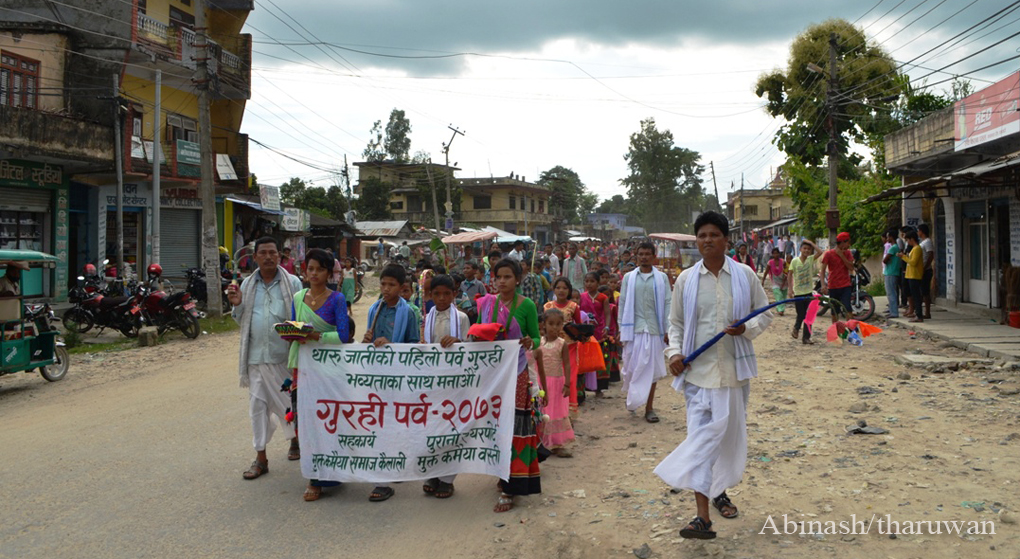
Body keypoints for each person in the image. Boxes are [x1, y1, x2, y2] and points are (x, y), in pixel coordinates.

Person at [657, 211, 773, 540]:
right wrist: (674, 353)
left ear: (725, 239)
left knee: (725, 441)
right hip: (698, 376)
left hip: (733, 374)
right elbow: (675, 324)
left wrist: (745, 328)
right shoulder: (685, 280)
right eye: (702, 235)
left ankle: (718, 490)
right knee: (701, 439)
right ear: (697, 241)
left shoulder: (745, 275)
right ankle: (702, 517)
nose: (707, 240)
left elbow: (765, 313)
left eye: (713, 234)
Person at [227, 236, 303, 481]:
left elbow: (301, 315)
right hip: (256, 359)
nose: (268, 257)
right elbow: (241, 321)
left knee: (289, 406)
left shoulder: (293, 283)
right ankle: (261, 458)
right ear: (255, 257)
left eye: (273, 252)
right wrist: (237, 305)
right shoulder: (247, 286)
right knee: (257, 409)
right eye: (263, 253)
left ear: (279, 256)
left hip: (285, 358)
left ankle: (296, 440)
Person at [474, 258, 541, 513]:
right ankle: (501, 471)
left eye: (507, 277)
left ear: (518, 279)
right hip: (492, 374)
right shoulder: (486, 304)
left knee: (514, 427)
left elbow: (536, 336)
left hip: (518, 372)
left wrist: (528, 341)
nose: (502, 281)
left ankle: (510, 485)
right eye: (498, 277)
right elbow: (480, 333)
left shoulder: (527, 307)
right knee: (495, 425)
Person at [286, 249, 350, 502]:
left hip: (329, 369)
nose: (314, 274)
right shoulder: (298, 297)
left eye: (319, 269)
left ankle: (333, 470)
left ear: (328, 273)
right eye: (310, 269)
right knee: (304, 420)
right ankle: (314, 477)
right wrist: (292, 333)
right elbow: (292, 327)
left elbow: (343, 336)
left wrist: (316, 337)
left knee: (329, 419)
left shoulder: (337, 300)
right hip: (302, 367)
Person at [359, 264, 419, 502]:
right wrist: (367, 341)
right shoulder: (375, 309)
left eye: (391, 285)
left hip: (399, 378)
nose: (385, 289)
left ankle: (396, 464)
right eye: (383, 284)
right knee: (377, 424)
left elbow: (414, 345)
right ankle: (381, 479)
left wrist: (392, 346)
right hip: (376, 378)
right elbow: (368, 341)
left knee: (397, 425)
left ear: (402, 287)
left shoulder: (409, 313)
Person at [420, 274, 472, 499]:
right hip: (432, 381)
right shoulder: (427, 317)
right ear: (430, 295)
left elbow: (470, 347)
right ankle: (433, 473)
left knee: (451, 429)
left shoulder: (461, 318)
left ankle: (448, 478)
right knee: (432, 429)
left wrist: (458, 342)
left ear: (454, 295)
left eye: (446, 294)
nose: (441, 298)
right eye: (437, 294)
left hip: (454, 382)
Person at [618, 242, 671, 423]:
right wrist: (620, 328)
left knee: (652, 371)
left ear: (654, 256)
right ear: (636, 255)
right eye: (641, 254)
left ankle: (649, 408)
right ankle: (633, 398)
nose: (644, 257)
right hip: (634, 329)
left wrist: (668, 329)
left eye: (648, 254)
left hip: (655, 330)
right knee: (633, 368)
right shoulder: (628, 278)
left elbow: (667, 303)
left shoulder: (662, 278)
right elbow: (623, 303)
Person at [536, 309, 574, 457]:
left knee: (557, 412)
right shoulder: (538, 341)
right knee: (543, 411)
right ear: (544, 324)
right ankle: (543, 443)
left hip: (558, 383)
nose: (554, 328)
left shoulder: (562, 343)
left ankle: (558, 444)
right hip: (542, 383)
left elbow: (567, 364)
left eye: (558, 324)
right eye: (551, 324)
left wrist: (568, 384)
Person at [579, 271, 611, 396]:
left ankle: (599, 387)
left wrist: (607, 327)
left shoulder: (603, 298)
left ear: (598, 283)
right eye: (587, 281)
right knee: (585, 359)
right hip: (586, 333)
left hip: (599, 332)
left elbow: (607, 313)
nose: (589, 284)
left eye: (592, 281)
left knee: (599, 358)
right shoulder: (581, 297)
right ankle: (585, 387)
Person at [788, 240, 820, 344]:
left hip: (808, 292)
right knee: (801, 314)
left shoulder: (810, 259)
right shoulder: (795, 261)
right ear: (800, 249)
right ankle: (796, 328)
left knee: (809, 316)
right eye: (804, 248)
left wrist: (811, 242)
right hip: (798, 292)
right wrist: (790, 289)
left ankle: (806, 338)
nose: (806, 250)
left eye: (808, 249)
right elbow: (789, 275)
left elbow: (820, 252)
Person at [819, 232, 855, 323]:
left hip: (845, 285)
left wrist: (842, 256)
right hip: (833, 286)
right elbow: (822, 270)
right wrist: (823, 285)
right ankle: (836, 330)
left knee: (848, 308)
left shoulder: (848, 253)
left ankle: (852, 330)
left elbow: (851, 267)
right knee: (834, 311)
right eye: (847, 242)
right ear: (842, 242)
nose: (848, 245)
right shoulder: (829, 254)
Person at [900, 230, 924, 323]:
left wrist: (903, 257)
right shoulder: (914, 249)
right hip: (910, 274)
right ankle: (917, 313)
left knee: (917, 296)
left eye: (908, 240)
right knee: (914, 295)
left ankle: (919, 315)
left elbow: (913, 262)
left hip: (915, 275)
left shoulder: (917, 248)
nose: (907, 242)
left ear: (912, 239)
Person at [882, 230, 902, 319]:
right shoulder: (896, 247)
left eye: (888, 237)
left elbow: (885, 260)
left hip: (890, 272)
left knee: (891, 293)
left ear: (891, 237)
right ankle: (892, 310)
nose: (887, 239)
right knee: (892, 292)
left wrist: (887, 260)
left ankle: (894, 312)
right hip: (894, 272)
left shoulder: (893, 248)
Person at [761, 248, 787, 316]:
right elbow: (766, 272)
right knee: (778, 295)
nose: (776, 255)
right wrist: (763, 280)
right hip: (775, 281)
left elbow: (787, 271)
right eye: (774, 253)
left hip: (784, 281)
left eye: (777, 253)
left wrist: (785, 281)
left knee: (783, 296)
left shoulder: (783, 262)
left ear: (779, 254)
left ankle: (781, 309)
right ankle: (780, 310)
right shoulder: (770, 263)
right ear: (772, 254)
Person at [918, 224, 934, 320]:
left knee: (925, 291)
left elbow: (930, 255)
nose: (917, 233)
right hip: (922, 269)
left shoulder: (927, 242)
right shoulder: (923, 242)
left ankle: (927, 312)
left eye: (918, 231)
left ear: (922, 231)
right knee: (922, 291)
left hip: (926, 270)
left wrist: (925, 267)